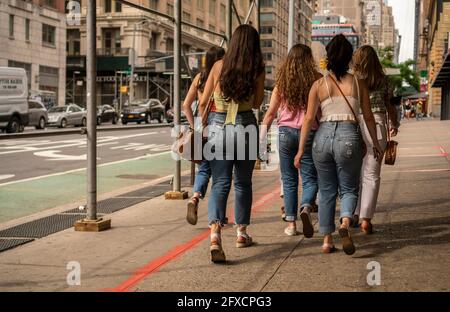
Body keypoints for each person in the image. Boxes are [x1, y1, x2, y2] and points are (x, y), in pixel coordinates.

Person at [294, 34, 383, 255]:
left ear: (329, 57)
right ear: (349, 57)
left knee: (326, 190)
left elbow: (308, 118)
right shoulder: (357, 82)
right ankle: (344, 224)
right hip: (348, 136)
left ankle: (326, 240)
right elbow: (369, 117)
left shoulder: (318, 84)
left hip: (322, 137)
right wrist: (374, 144)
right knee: (349, 187)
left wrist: (300, 149)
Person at [199, 25, 265, 263]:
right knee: (243, 183)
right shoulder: (257, 69)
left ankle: (215, 234)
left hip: (218, 127)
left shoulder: (218, 66)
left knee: (220, 183)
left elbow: (204, 102)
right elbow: (257, 103)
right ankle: (241, 232)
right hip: (246, 126)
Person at [261, 44, 321, 237]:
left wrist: (261, 139)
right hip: (309, 132)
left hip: (285, 133)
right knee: (311, 178)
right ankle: (305, 207)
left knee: (288, 180)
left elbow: (270, 114)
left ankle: (291, 224)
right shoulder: (316, 80)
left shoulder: (282, 83)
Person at [352, 45, 399, 234]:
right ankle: (366, 219)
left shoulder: (353, 80)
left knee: (355, 174)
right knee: (372, 175)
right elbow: (390, 106)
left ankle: (353, 213)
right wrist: (394, 124)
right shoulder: (383, 80)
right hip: (377, 125)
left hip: (354, 126)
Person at [182, 46, 225, 225]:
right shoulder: (222, 76)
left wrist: (194, 125)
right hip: (219, 123)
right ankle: (218, 217)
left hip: (201, 126)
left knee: (204, 166)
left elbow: (186, 105)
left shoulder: (199, 78)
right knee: (220, 175)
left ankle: (195, 196)